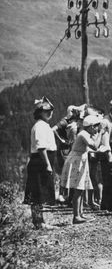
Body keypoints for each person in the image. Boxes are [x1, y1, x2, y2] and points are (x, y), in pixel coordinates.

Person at [61, 114, 103, 224]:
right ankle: (76, 216)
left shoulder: (85, 134)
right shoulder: (84, 134)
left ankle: (80, 213)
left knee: (81, 188)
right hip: (76, 161)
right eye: (96, 126)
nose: (97, 129)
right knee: (78, 189)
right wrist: (101, 134)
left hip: (80, 160)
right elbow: (94, 146)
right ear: (91, 126)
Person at [23, 97, 58, 230]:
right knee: (37, 192)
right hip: (40, 161)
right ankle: (38, 222)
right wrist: (47, 164)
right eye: (46, 111)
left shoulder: (44, 125)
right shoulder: (39, 126)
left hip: (44, 160)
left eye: (51, 111)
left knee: (40, 192)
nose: (49, 113)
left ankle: (40, 221)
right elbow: (41, 147)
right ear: (39, 112)